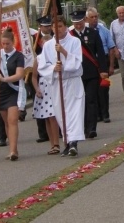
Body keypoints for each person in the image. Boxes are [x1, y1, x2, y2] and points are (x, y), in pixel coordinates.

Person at [40, 18, 85, 157]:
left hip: (72, 82)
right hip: (58, 83)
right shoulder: (48, 45)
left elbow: (77, 62)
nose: (58, 29)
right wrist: (54, 68)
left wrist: (64, 52)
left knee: (74, 113)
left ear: (65, 27)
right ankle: (67, 141)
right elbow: (43, 65)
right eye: (55, 27)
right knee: (61, 114)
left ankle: (73, 143)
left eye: (60, 26)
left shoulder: (74, 41)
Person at [0, 28, 25, 161]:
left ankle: (14, 151)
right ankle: (11, 150)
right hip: (1, 92)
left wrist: (4, 79)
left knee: (12, 120)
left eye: (7, 43)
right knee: (6, 122)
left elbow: (20, 74)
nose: (5, 46)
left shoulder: (19, 56)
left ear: (13, 42)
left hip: (13, 90)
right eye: (3, 44)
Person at [70, 10, 107, 139]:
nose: (78, 26)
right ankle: (81, 127)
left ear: (84, 21)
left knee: (91, 99)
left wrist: (103, 70)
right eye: (75, 23)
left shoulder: (93, 33)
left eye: (79, 22)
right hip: (75, 74)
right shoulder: (70, 36)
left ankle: (91, 128)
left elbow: (100, 53)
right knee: (79, 101)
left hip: (91, 72)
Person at [32, 17, 60, 155]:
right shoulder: (38, 58)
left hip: (53, 85)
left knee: (54, 116)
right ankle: (52, 143)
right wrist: (36, 89)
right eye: (44, 43)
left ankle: (57, 142)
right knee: (47, 117)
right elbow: (33, 76)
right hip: (43, 87)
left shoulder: (56, 56)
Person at [86, 7, 116, 124]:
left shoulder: (104, 30)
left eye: (96, 17)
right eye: (91, 17)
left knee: (104, 88)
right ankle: (97, 114)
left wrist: (111, 66)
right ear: (87, 19)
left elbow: (111, 48)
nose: (94, 19)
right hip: (91, 64)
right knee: (93, 90)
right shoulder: (85, 32)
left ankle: (105, 114)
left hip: (103, 62)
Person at [31, 16, 53, 143]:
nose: (48, 28)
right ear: (40, 27)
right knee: (40, 105)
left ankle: (58, 131)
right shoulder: (34, 39)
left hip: (50, 74)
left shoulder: (54, 37)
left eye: (49, 25)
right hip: (38, 73)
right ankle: (43, 133)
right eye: (45, 26)